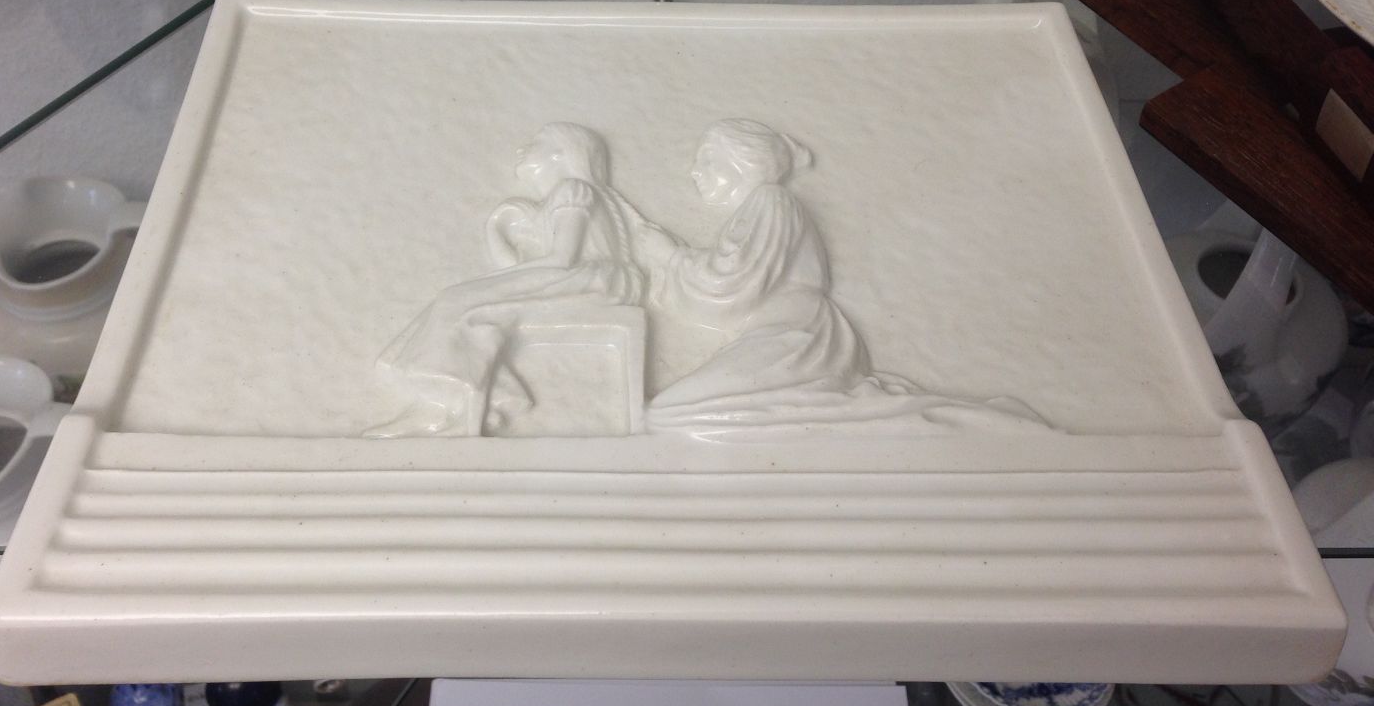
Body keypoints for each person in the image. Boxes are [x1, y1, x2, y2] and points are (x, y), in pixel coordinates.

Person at [647, 119, 1046, 434]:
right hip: (775, 336)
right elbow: (734, 276)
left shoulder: (772, 200)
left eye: (706, 159)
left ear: (741, 161)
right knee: (676, 412)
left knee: (671, 412)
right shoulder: (757, 208)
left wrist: (670, 256)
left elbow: (730, 284)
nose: (695, 171)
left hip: (797, 340)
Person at [368, 123, 671, 437]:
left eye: (536, 143)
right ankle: (474, 400)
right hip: (580, 279)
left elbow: (562, 260)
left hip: (591, 280)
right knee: (463, 301)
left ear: (560, 154)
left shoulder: (572, 189)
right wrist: (496, 230)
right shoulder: (566, 196)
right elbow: (523, 271)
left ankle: (451, 401)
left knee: (457, 300)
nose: (522, 150)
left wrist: (490, 282)